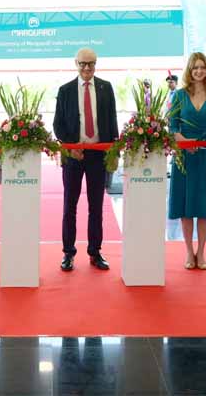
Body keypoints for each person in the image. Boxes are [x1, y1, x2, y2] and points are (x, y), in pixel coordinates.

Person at [53, 47, 118, 272]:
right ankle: (68, 253)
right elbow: (58, 124)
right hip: (74, 156)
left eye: (91, 63)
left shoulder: (106, 87)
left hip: (98, 155)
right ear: (76, 64)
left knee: (96, 207)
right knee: (69, 207)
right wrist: (71, 148)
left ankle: (95, 252)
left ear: (96, 64)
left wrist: (114, 152)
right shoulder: (65, 90)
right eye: (83, 64)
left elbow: (112, 120)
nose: (87, 68)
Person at [168, 52, 206, 271]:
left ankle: (200, 252)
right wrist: (184, 142)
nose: (199, 71)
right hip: (184, 157)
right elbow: (173, 125)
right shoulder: (179, 95)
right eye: (195, 68)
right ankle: (188, 251)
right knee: (185, 207)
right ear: (189, 71)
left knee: (203, 207)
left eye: (202, 67)